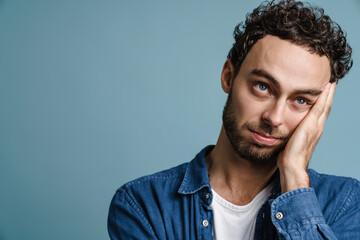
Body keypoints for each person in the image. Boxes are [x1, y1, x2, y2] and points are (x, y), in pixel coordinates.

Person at [108, 0, 360, 239]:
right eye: (263, 87)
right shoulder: (143, 203)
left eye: (301, 100)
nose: (274, 118)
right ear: (229, 76)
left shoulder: (346, 203)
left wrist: (294, 175)